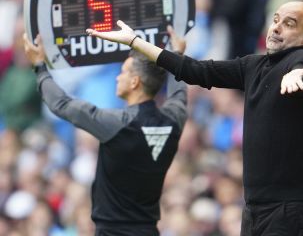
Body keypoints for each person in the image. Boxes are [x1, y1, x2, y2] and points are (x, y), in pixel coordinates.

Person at [87, 1, 303, 235]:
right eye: (276, 20)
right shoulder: (254, 66)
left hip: (289, 212)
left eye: (289, 24)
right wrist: (135, 42)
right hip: (253, 211)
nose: (277, 28)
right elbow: (196, 70)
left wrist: (298, 77)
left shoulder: (301, 61)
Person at [22, 27, 188, 236]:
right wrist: (178, 56)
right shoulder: (174, 120)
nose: (118, 77)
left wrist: (39, 66)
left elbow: (61, 104)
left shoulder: (118, 124)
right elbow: (179, 94)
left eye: (124, 72)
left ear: (135, 82)